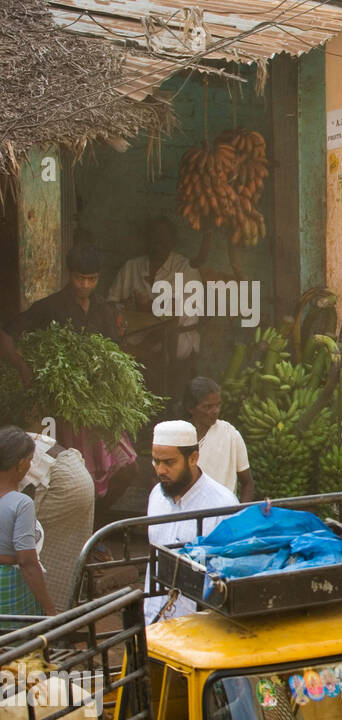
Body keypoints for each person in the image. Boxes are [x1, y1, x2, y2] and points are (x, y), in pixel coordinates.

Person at [0, 243, 136, 510]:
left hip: (97, 406)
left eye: (92, 279)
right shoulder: (49, 307)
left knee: (128, 467)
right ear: (69, 274)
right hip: (61, 410)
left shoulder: (103, 309)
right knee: (74, 477)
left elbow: (115, 353)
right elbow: (6, 334)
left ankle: (98, 527)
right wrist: (23, 367)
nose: (85, 285)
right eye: (80, 278)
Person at [144, 420, 239, 623]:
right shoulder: (156, 495)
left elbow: (229, 577)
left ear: (193, 458)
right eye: (155, 461)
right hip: (153, 621)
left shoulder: (222, 504)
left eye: (168, 463)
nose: (160, 470)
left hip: (196, 630)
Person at [104, 216, 203, 395]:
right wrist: (124, 305)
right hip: (137, 334)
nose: (158, 244)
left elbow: (178, 314)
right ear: (146, 240)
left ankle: (144, 361)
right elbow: (111, 303)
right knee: (116, 343)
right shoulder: (132, 266)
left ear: (173, 242)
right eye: (154, 239)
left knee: (161, 335)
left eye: (164, 239)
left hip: (177, 336)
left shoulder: (185, 268)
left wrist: (148, 306)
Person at [20, 430, 94, 611]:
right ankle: (55, 618)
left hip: (60, 482)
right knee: (57, 557)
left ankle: (49, 618)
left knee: (32, 555)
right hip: (71, 470)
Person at [0, 427, 56, 626]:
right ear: (21, 464)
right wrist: (50, 609)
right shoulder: (21, 503)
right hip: (8, 589)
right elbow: (27, 562)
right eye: (31, 460)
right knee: (18, 649)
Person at [185, 377, 254, 502]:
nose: (215, 411)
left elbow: (247, 484)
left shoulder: (230, 435)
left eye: (218, 405)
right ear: (191, 408)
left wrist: (240, 515)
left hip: (224, 515)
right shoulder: (181, 437)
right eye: (207, 407)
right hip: (189, 516)